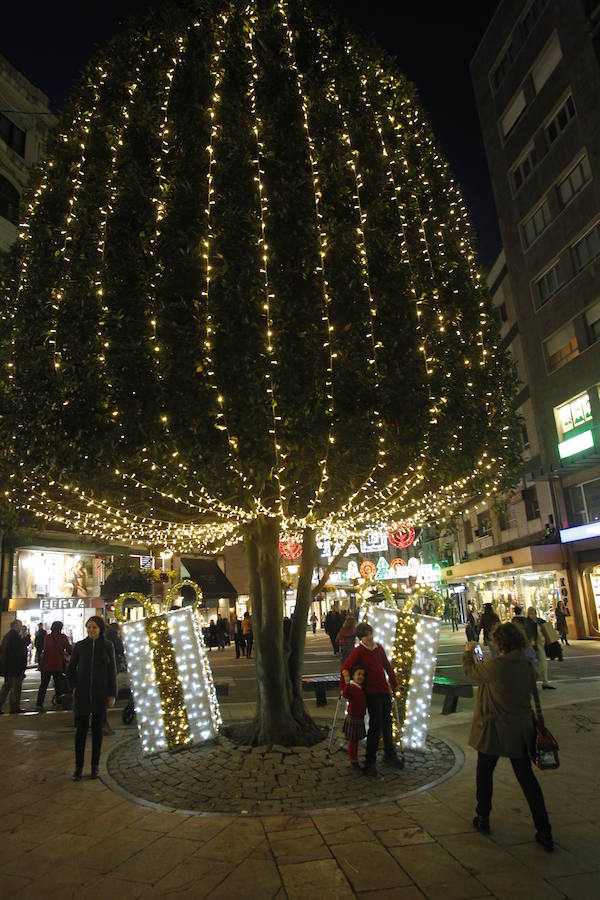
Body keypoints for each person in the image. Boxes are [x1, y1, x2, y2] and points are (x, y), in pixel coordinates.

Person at [462, 622, 554, 852]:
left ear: (500, 642)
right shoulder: (527, 663)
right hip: (520, 729)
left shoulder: (497, 665)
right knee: (527, 780)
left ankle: (483, 816)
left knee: (484, 773)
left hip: (493, 729)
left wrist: (468, 653)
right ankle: (544, 830)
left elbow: (471, 671)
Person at [341, 622, 403, 775]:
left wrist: (395, 684)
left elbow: (387, 667)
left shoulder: (379, 648)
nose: (369, 637)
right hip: (371, 693)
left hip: (384, 690)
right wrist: (345, 687)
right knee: (375, 726)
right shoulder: (359, 651)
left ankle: (390, 754)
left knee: (387, 723)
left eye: (370, 633)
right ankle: (370, 761)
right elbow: (345, 668)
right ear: (361, 638)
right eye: (366, 635)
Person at [67, 616, 117, 781]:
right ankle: (78, 767)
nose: (91, 630)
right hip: (82, 695)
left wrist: (112, 694)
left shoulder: (108, 646)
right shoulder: (80, 646)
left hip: (100, 694)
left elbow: (112, 673)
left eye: (94, 627)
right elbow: (71, 668)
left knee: (97, 732)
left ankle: (94, 767)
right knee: (80, 732)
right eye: (89, 627)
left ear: (101, 629)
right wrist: (74, 687)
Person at [36, 621, 72, 712]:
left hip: (46, 664)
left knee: (43, 685)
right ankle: (59, 703)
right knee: (58, 685)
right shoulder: (62, 637)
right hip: (57, 664)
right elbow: (69, 648)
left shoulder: (47, 637)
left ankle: (39, 704)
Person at [341, 664, 367, 767]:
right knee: (353, 740)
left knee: (355, 740)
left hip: (359, 717)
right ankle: (353, 759)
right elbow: (345, 694)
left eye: (362, 675)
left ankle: (354, 757)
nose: (361, 677)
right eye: (358, 674)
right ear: (353, 676)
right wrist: (346, 682)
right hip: (353, 717)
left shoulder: (361, 688)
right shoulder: (352, 687)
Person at [0, 619, 27, 714]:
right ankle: (14, 708)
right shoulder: (14, 637)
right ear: (15, 625)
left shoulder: (8, 636)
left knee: (6, 687)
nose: (21, 627)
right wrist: (22, 667)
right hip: (14, 668)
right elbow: (18, 653)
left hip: (8, 667)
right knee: (15, 688)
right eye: (19, 625)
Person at [527, 607, 555, 690]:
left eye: (533, 613)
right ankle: (533, 679)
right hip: (535, 646)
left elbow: (548, 630)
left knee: (543, 664)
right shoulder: (529, 623)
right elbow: (529, 635)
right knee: (542, 664)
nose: (532, 615)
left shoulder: (540, 621)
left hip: (542, 645)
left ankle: (545, 682)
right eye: (530, 613)